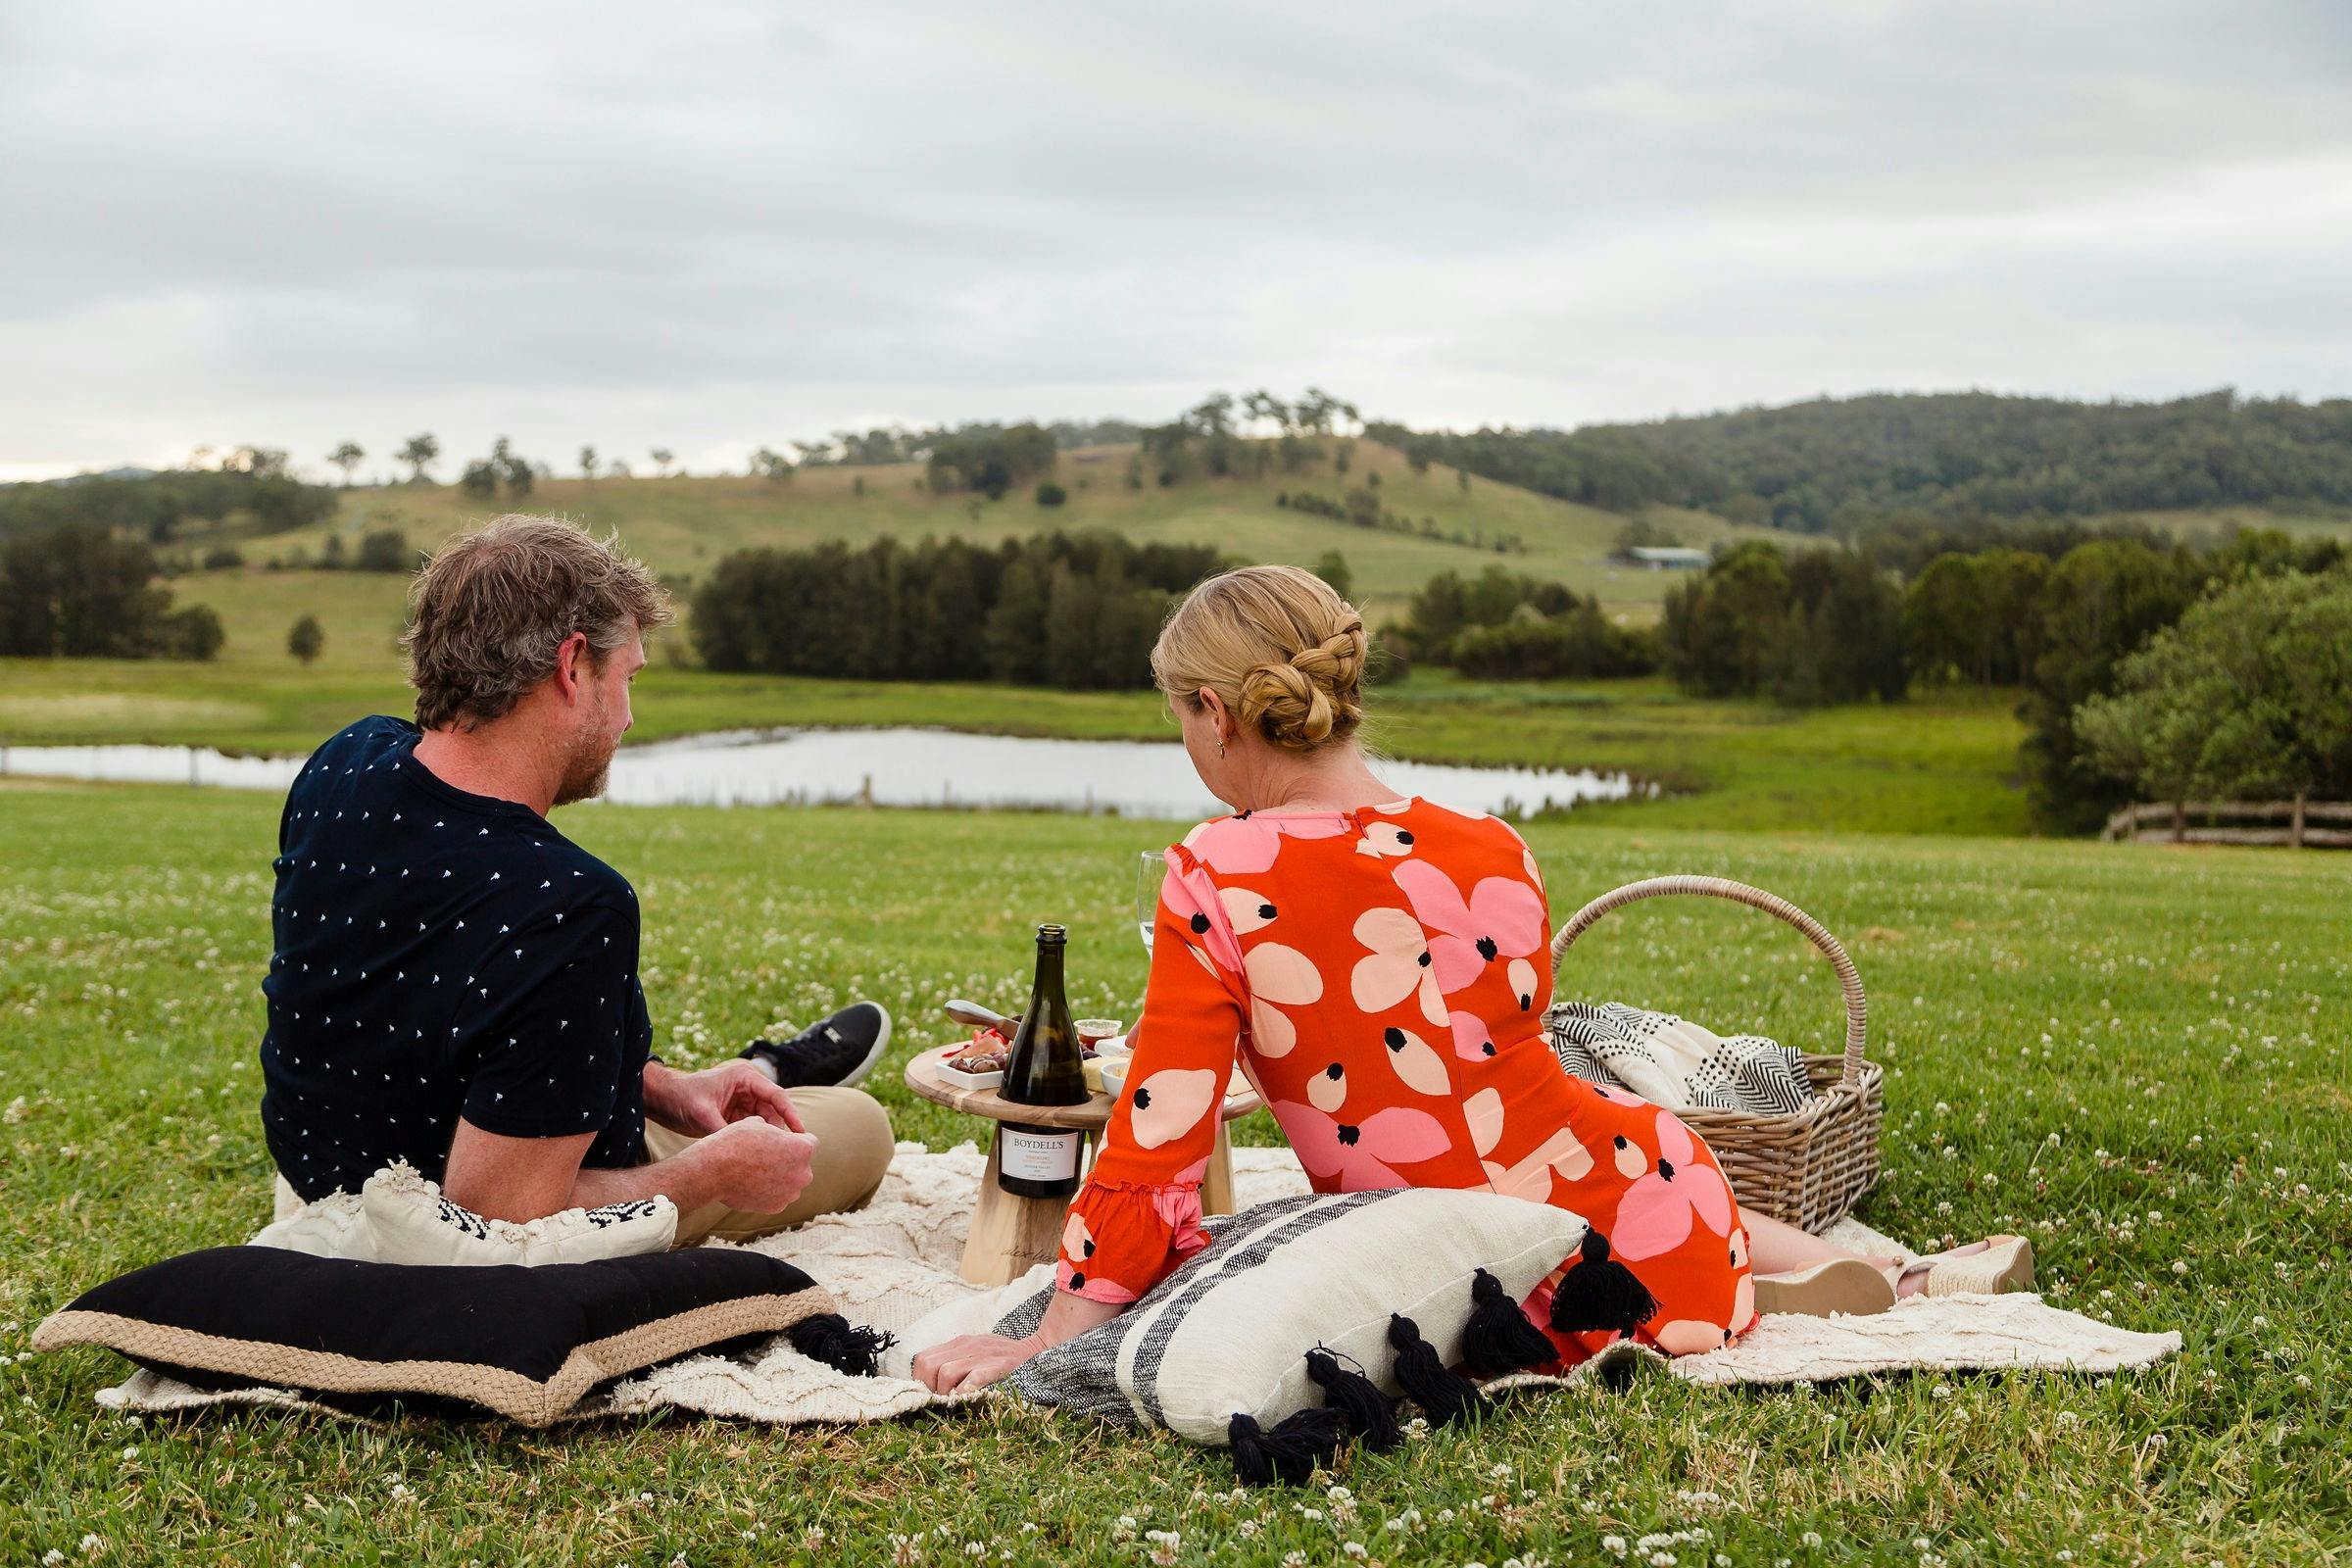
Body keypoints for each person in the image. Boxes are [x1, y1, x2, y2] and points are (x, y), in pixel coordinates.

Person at [914, 565, 2030, 1394]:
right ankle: (1883, 1277)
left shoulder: (1218, 870)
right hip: (1643, 1206)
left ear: (1217, 713)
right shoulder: (1491, 843)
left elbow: (1159, 1132)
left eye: (1183, 722)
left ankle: (1835, 1274)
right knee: (1636, 1156)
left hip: (1470, 1275)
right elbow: (1489, 1069)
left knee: (1504, 1194)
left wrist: (1047, 1337)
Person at [259, 515, 895, 1244]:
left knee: (692, 1103)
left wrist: (665, 1088)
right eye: (625, 679)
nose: (627, 718)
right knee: (859, 1128)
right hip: (428, 1230)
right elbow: (490, 1220)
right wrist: (709, 1176)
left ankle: (739, 1073)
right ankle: (768, 1070)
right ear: (571, 666)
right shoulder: (565, 904)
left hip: (328, 1174)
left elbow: (423, 1019)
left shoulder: (345, 762)